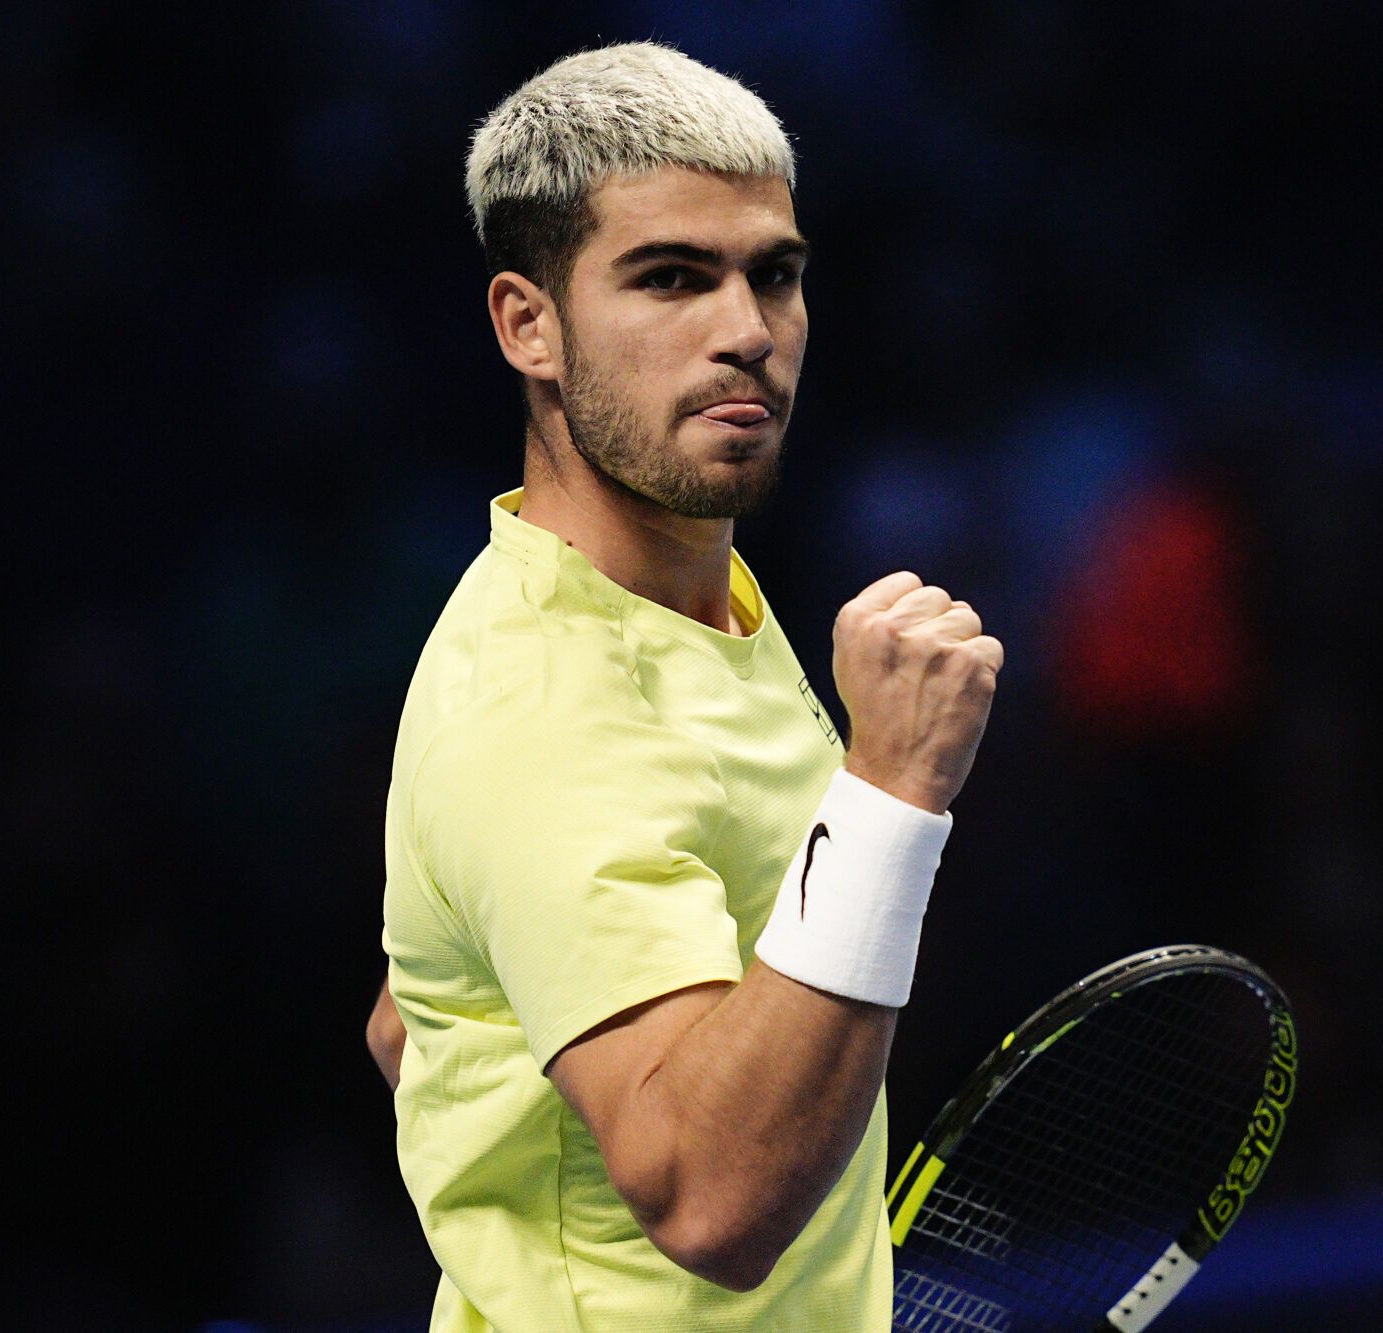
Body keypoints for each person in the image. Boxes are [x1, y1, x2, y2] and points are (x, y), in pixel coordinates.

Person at [366, 42, 1001, 1330]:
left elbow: (408, 1025)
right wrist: (890, 788)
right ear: (527, 324)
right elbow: (713, 1203)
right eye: (670, 279)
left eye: (775, 275)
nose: (746, 332)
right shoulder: (541, 708)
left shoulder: (694, 601)